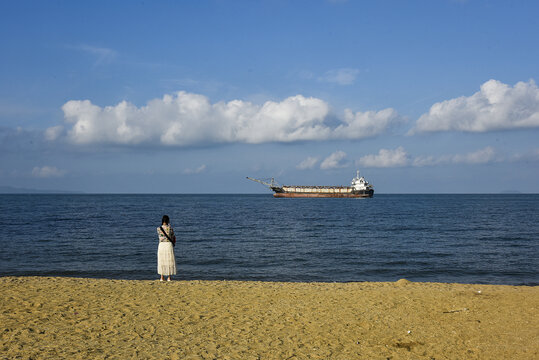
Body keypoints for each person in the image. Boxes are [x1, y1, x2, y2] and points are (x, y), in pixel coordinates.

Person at [157, 215, 177, 282]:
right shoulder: (170, 228)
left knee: (162, 260)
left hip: (161, 245)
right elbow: (172, 236)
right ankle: (169, 277)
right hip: (168, 245)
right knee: (169, 260)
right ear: (168, 221)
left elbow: (160, 236)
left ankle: (162, 277)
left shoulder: (158, 228)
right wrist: (169, 227)